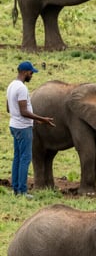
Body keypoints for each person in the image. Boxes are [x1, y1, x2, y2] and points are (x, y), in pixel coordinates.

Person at [6, 61, 55, 197]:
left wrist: (32, 119)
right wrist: (42, 119)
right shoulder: (21, 88)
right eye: (31, 72)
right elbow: (23, 111)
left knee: (17, 157)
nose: (32, 75)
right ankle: (22, 191)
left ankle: (15, 189)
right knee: (25, 159)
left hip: (14, 125)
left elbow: (8, 108)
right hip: (23, 128)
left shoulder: (11, 85)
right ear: (25, 72)